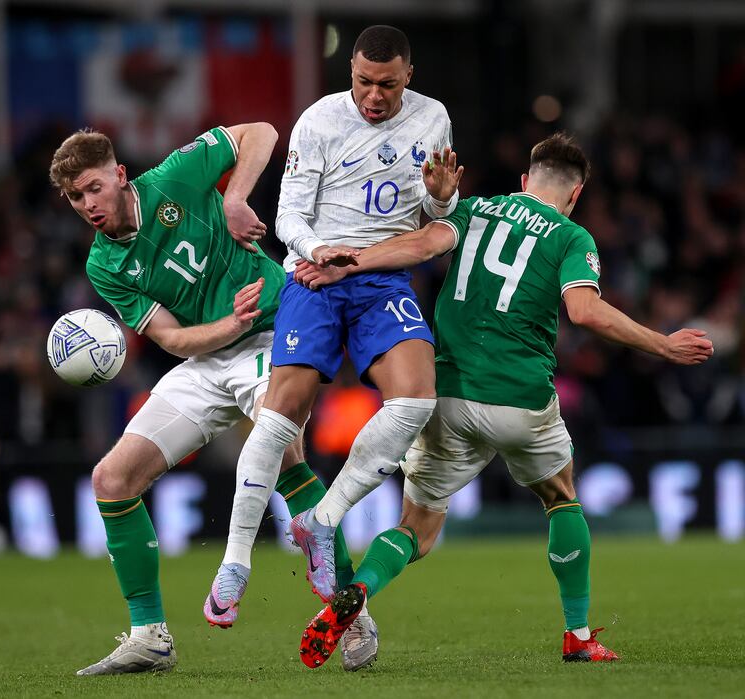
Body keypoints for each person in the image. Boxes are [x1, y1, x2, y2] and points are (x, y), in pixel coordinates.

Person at [291, 133, 715, 668]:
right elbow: (583, 312)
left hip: (445, 394)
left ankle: (361, 592)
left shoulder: (473, 210)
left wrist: (348, 263)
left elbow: (421, 246)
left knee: (415, 531)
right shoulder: (571, 236)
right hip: (519, 401)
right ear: (576, 193)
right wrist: (662, 343)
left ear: (524, 182)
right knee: (561, 497)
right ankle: (579, 636)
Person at [49, 122, 348, 675]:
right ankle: (149, 636)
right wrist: (224, 323)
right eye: (74, 197)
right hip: (208, 355)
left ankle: (350, 617)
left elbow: (261, 131)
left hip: (271, 330)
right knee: (111, 480)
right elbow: (170, 339)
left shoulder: (174, 177)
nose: (87, 204)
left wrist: (234, 198)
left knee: (280, 450)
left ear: (119, 175)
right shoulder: (102, 264)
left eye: (94, 187)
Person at [210, 25, 459, 671]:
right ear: (350, 71)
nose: (374, 96)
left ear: (408, 75)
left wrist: (439, 194)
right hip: (317, 274)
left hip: (379, 277)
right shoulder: (320, 119)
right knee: (279, 414)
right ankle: (235, 560)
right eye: (364, 82)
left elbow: (438, 212)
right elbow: (289, 211)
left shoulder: (433, 117)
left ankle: (325, 515)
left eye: (387, 83)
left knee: (417, 399)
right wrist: (316, 249)